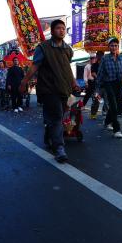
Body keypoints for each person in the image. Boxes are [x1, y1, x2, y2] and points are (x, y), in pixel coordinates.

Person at [19, 19, 79, 162]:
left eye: (63, 28)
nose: (61, 31)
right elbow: (35, 66)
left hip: (64, 88)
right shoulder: (43, 48)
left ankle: (49, 134)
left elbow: (67, 68)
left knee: (57, 116)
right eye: (58, 28)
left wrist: (74, 83)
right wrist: (24, 82)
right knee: (57, 116)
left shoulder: (68, 49)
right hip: (49, 88)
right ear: (52, 31)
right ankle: (59, 148)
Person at [90, 51, 104, 119]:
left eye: (101, 55)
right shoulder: (94, 65)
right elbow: (93, 73)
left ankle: (105, 113)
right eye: (98, 55)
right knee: (96, 99)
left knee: (107, 101)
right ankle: (93, 114)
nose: (100, 57)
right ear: (97, 56)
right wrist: (98, 77)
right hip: (97, 85)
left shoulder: (105, 64)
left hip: (105, 84)